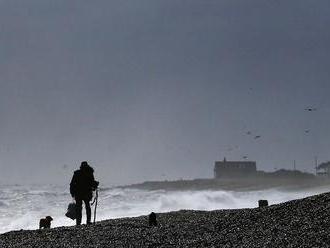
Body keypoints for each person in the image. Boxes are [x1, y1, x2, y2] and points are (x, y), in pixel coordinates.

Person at [70, 161, 99, 225]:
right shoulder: (89, 173)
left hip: (78, 193)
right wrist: (95, 185)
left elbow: (72, 184)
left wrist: (72, 192)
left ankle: (78, 222)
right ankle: (88, 221)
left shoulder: (77, 173)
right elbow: (92, 182)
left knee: (79, 208)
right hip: (86, 192)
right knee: (87, 207)